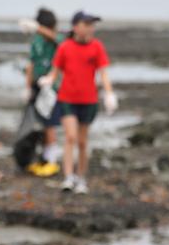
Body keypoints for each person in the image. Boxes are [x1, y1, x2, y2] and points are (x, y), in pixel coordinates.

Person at [41, 11, 117, 194]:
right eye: (87, 24)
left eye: (92, 25)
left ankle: (81, 178)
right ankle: (68, 177)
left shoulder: (97, 47)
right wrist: (48, 80)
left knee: (82, 142)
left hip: (89, 100)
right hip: (67, 99)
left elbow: (103, 73)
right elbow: (55, 71)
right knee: (70, 137)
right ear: (76, 27)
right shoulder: (65, 47)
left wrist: (109, 93)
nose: (90, 28)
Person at [23, 7, 64, 176]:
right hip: (37, 86)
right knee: (37, 123)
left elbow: (57, 39)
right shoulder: (37, 41)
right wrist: (27, 87)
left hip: (52, 88)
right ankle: (42, 157)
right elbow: (31, 64)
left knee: (50, 124)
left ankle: (52, 160)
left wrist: (37, 28)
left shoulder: (57, 39)